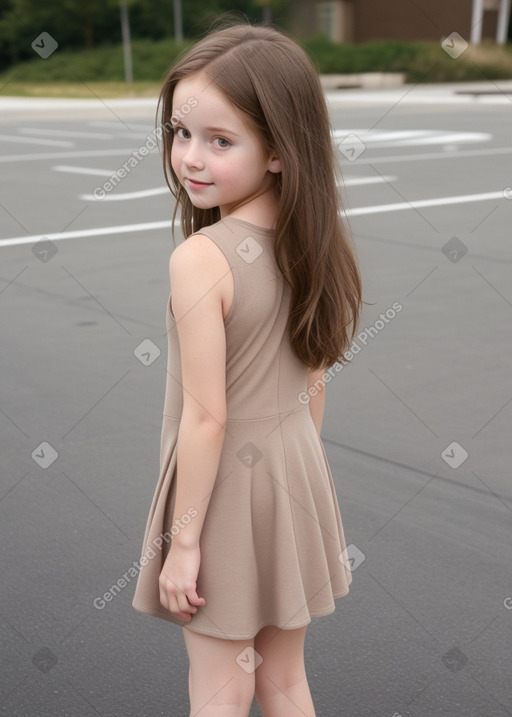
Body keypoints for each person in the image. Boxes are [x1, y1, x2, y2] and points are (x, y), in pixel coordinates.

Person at [132, 19, 365, 717]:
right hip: (294, 475)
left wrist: (184, 543)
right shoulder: (311, 243)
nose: (190, 157)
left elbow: (207, 416)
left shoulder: (201, 258)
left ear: (279, 152)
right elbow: (315, 381)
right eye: (180, 133)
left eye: (219, 140)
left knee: (219, 690)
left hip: (224, 496)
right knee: (284, 679)